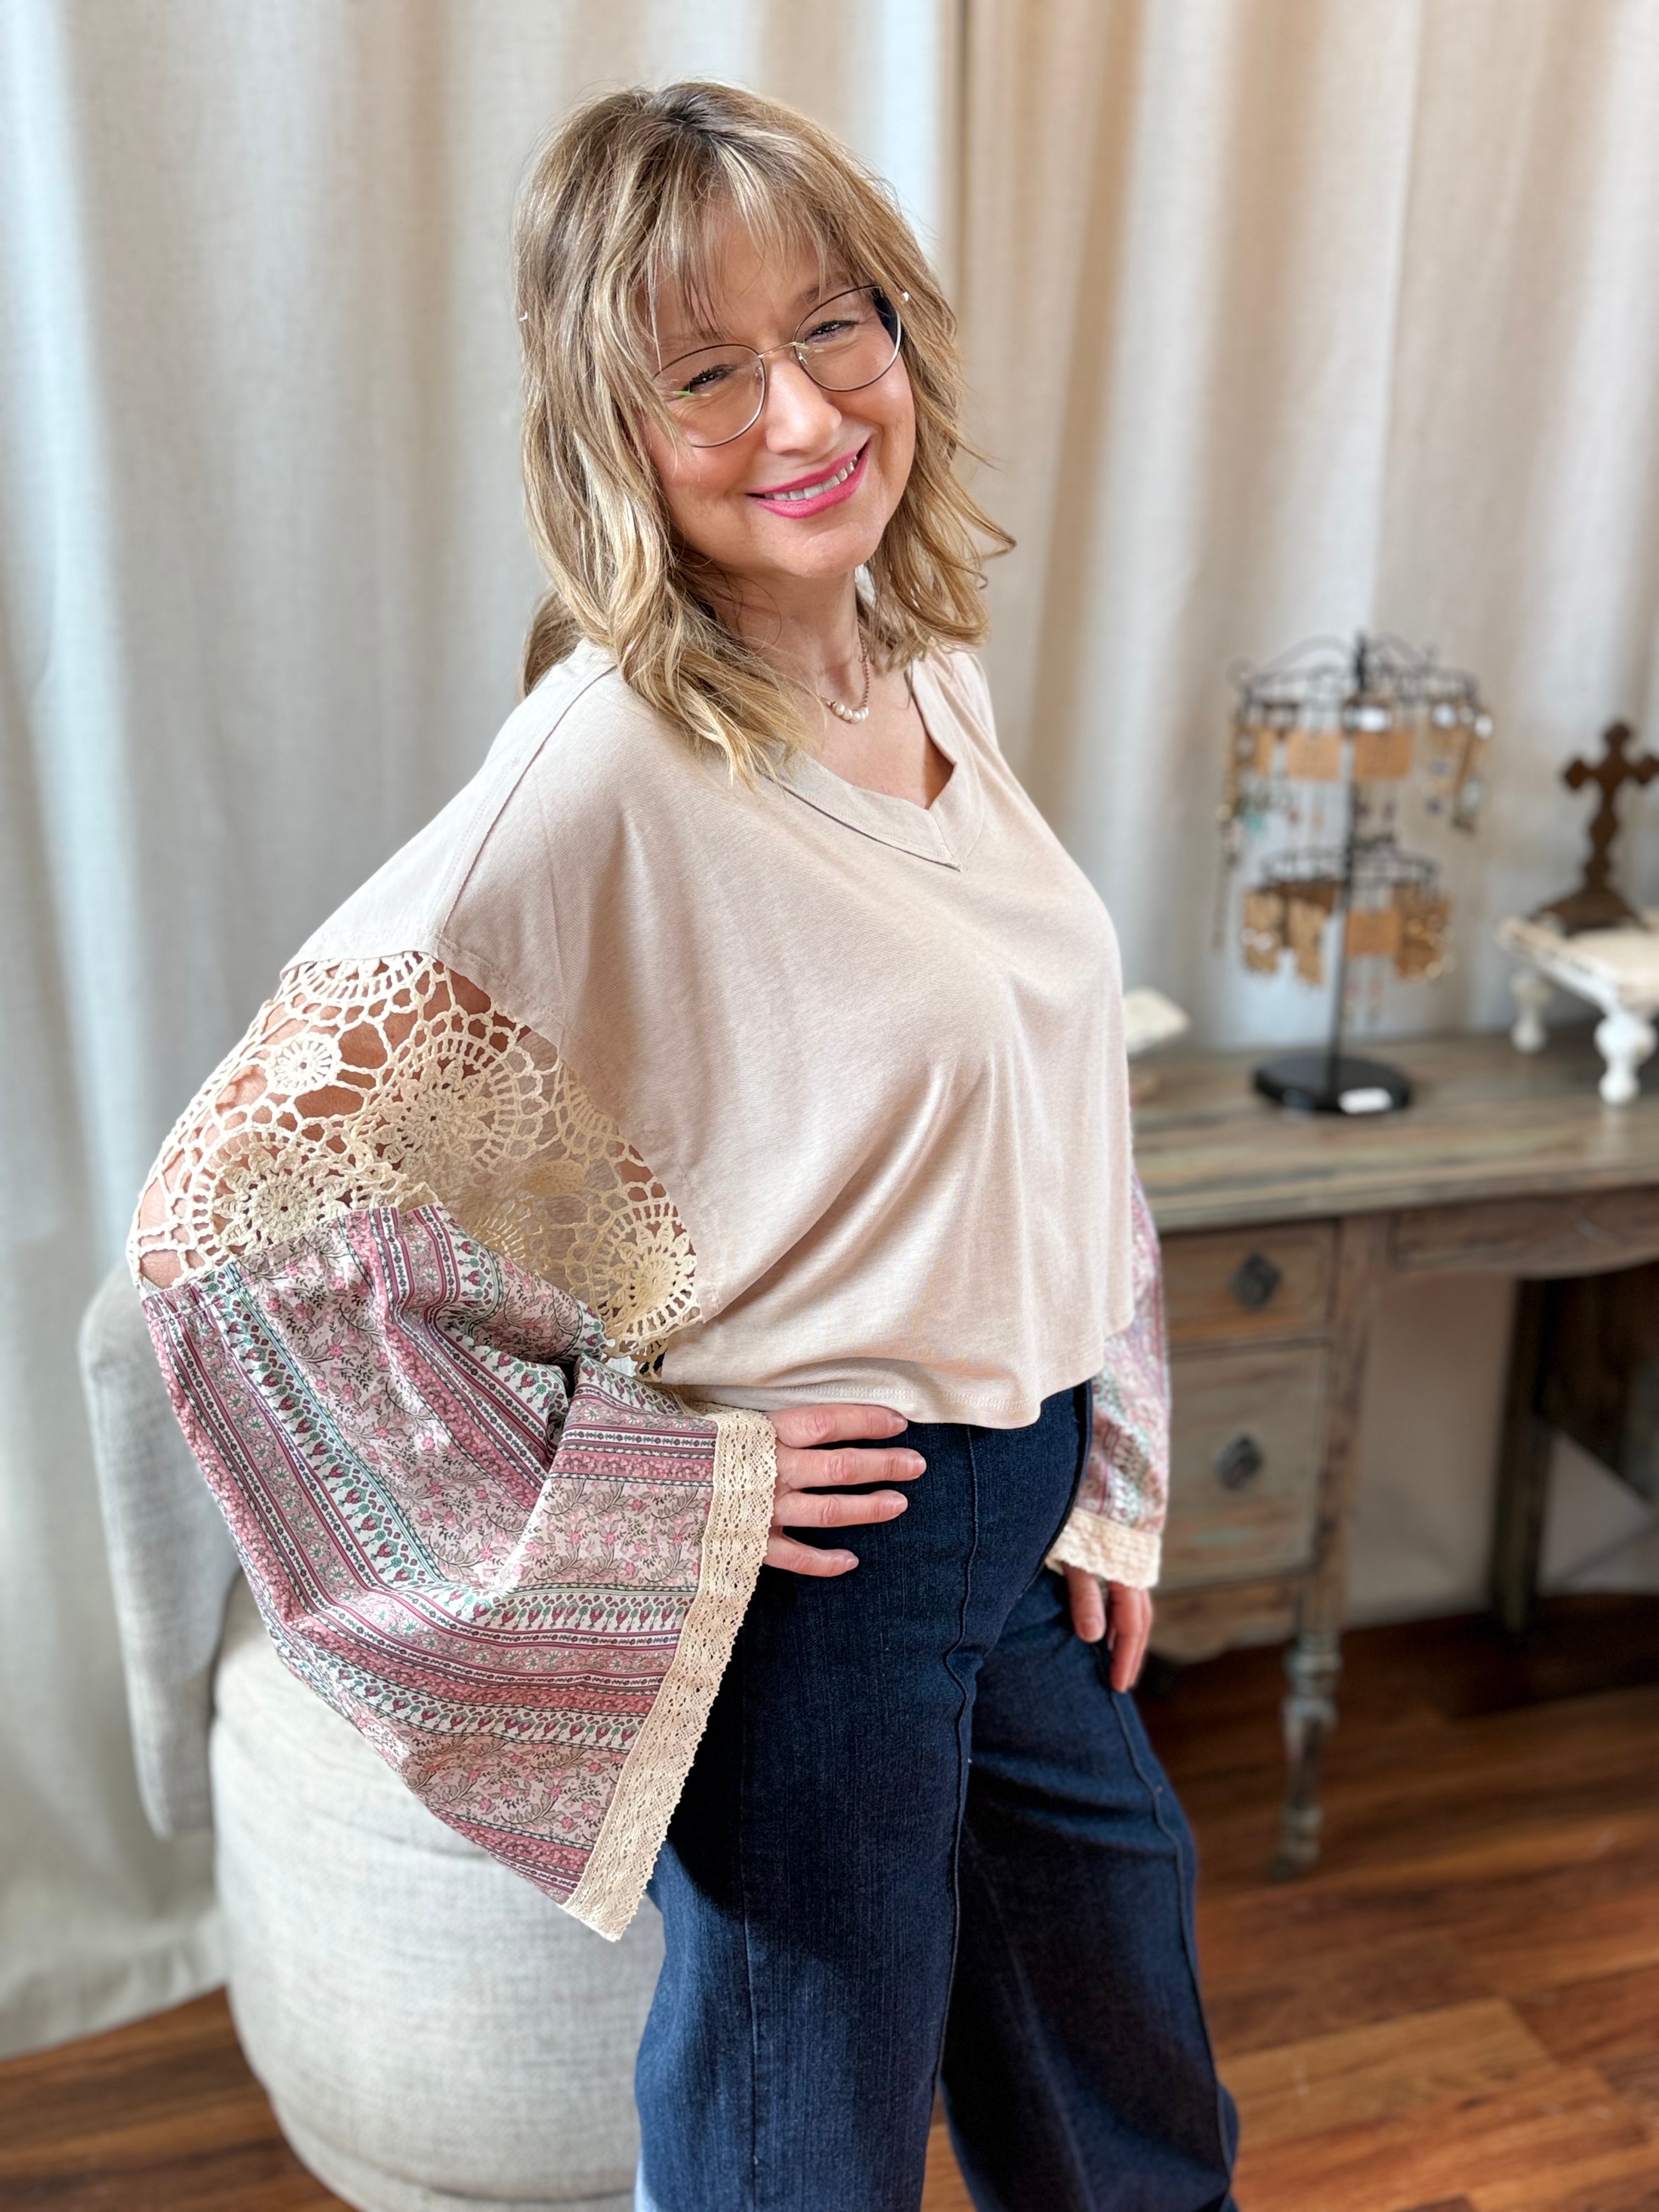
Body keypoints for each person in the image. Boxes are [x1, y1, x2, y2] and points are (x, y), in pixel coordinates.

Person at [131, 80, 1237, 2212]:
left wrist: (1109, 1460)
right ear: (609, 433)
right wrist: (652, 1482)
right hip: (833, 1557)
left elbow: (1048, 1094)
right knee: (792, 2147)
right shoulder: (607, 767)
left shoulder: (930, 666)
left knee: (1125, 2098)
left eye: (835, 329)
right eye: (705, 375)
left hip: (1018, 1505)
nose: (803, 412)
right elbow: (229, 1224)